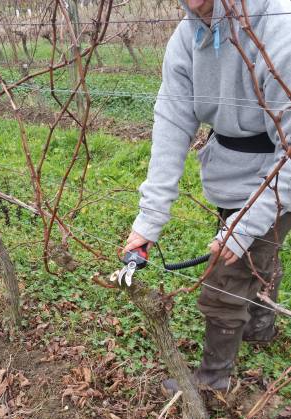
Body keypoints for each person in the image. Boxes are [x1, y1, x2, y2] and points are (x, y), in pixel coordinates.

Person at [123, 0, 291, 394]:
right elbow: (172, 122)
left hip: (279, 174)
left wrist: (244, 225)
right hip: (229, 170)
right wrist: (148, 222)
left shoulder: (278, 26)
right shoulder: (188, 35)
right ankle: (260, 326)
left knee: (227, 275)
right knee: (256, 253)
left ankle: (213, 380)